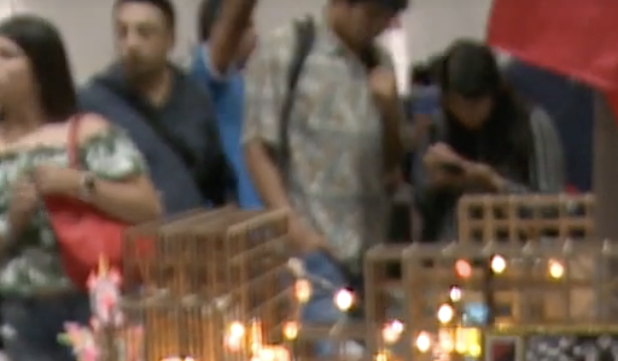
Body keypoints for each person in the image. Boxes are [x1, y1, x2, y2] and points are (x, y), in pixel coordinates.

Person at [0, 15, 160, 361]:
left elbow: (148, 207)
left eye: (7, 55)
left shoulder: (88, 131)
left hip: (97, 299)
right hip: (23, 309)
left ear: (40, 67)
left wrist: (78, 184)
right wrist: (9, 223)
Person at [241, 0, 405, 327]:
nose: (380, 26)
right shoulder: (288, 48)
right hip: (312, 255)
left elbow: (392, 168)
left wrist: (390, 112)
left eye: (388, 18)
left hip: (369, 257)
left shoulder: (379, 61)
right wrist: (294, 229)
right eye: (373, 13)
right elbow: (257, 148)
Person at [80, 0, 232, 215]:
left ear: (169, 40)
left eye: (144, 32)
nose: (131, 43)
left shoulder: (194, 97)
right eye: (122, 32)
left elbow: (217, 181)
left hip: (190, 235)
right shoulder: (93, 103)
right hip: (125, 240)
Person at [410, 41, 562, 241]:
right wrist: (434, 182)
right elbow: (421, 203)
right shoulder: (439, 127)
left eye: (476, 104)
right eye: (458, 104)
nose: (467, 114)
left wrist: (494, 182)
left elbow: (550, 207)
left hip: (519, 250)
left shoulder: (531, 123)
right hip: (453, 252)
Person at [195, 0, 259, 208]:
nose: (255, 36)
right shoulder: (205, 74)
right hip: (230, 221)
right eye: (247, 26)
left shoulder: (245, 82)